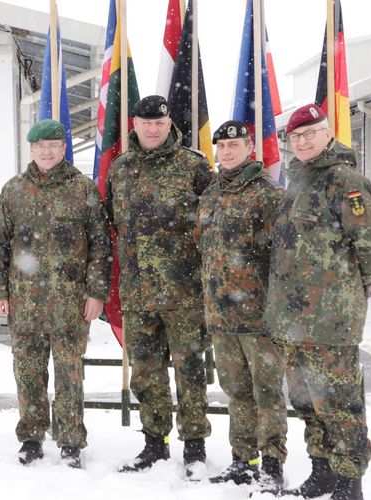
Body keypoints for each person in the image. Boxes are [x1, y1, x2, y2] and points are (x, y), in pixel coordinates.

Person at [263, 104, 371, 500]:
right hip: (292, 320)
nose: (301, 142)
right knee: (306, 401)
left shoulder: (345, 181)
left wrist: (348, 288)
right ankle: (322, 473)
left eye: (309, 134)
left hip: (329, 320)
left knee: (339, 404)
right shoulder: (298, 180)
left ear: (327, 133)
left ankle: (349, 484)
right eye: (295, 137)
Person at [0, 119, 111, 469]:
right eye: (40, 147)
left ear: (63, 148)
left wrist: (96, 293)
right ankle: (31, 437)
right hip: (25, 303)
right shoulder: (14, 190)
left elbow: (100, 245)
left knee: (70, 374)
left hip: (71, 303)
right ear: (31, 150)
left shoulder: (83, 189)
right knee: (28, 372)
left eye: (53, 146)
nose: (46, 151)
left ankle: (71, 440)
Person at [106, 95, 213, 477]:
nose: (152, 129)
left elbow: (213, 225)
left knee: (190, 372)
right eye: (145, 122)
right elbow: (111, 225)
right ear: (134, 123)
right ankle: (155, 443)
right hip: (138, 294)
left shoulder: (194, 167)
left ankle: (195, 447)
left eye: (159, 122)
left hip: (184, 293)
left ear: (169, 124)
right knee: (146, 373)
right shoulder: (120, 169)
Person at [194, 120, 287, 491]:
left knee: (267, 393)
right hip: (221, 315)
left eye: (235, 146)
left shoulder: (267, 194)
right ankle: (242, 460)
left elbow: (283, 256)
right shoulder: (211, 191)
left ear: (250, 147)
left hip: (259, 315)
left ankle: (272, 464)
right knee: (237, 392)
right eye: (222, 147)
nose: (228, 152)